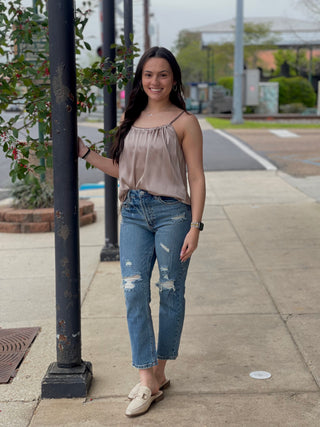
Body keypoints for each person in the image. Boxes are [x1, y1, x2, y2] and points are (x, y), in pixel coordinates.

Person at [78, 46, 205, 417]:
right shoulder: (131, 119)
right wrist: (85, 153)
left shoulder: (185, 122)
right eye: (148, 74)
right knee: (134, 292)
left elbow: (195, 177)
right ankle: (145, 373)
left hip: (173, 215)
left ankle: (157, 376)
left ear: (174, 79)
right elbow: (125, 171)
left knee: (169, 291)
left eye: (163, 74)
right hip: (133, 211)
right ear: (140, 79)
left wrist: (196, 226)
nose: (155, 81)